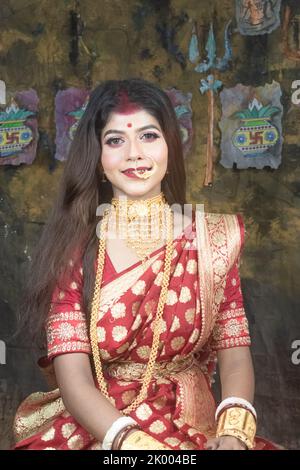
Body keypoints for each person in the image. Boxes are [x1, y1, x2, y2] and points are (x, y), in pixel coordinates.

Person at [13, 78, 278, 450]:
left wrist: (234, 432)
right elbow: (74, 381)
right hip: (101, 427)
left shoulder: (212, 240)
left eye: (149, 136)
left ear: (171, 145)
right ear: (98, 158)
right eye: (116, 140)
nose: (134, 153)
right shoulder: (72, 251)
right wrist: (135, 445)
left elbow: (234, 354)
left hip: (192, 422)